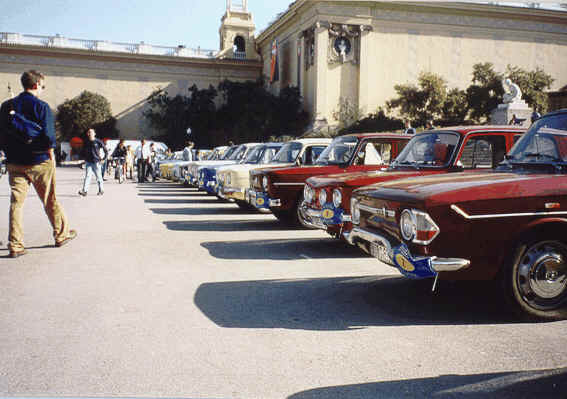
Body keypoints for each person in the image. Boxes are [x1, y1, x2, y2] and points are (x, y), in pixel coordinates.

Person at [0, 70, 76, 257]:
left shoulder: (6, 106)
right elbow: (49, 138)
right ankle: (61, 234)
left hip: (15, 162)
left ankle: (15, 245)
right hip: (39, 161)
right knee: (50, 199)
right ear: (36, 85)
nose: (42, 89)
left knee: (16, 204)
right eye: (43, 86)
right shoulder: (42, 107)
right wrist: (49, 153)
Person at [78, 128, 107, 196]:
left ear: (94, 134)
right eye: (88, 132)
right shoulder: (86, 142)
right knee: (87, 176)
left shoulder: (98, 141)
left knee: (98, 177)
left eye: (91, 132)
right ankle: (84, 191)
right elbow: (83, 151)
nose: (89, 134)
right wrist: (82, 160)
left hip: (96, 162)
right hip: (88, 162)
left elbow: (106, 151)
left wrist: (104, 159)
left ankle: (101, 190)